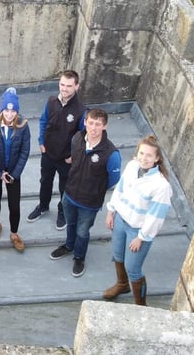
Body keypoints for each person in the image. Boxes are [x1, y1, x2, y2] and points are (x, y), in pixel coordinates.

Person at [49, 108, 121, 278]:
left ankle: (79, 257)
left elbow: (113, 179)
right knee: (71, 224)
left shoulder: (111, 154)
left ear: (105, 126)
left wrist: (95, 189)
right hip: (69, 195)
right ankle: (69, 246)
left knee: (82, 231)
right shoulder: (77, 139)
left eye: (98, 124)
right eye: (91, 123)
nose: (93, 128)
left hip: (89, 203)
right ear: (85, 122)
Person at [104, 135, 172, 306]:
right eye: (141, 153)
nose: (144, 158)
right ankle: (122, 284)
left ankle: (141, 306)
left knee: (133, 269)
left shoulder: (161, 185)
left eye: (149, 155)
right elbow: (120, 190)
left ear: (157, 158)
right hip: (120, 220)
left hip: (137, 231)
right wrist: (111, 211)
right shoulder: (132, 166)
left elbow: (156, 216)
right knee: (118, 255)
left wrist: (141, 237)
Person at [28, 70, 86, 231]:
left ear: (76, 86)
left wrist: (74, 155)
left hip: (66, 158)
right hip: (48, 153)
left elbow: (84, 136)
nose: (64, 89)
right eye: (62, 84)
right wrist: (41, 141)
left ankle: (63, 212)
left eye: (69, 86)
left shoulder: (81, 110)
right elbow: (43, 121)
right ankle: (43, 206)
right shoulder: (51, 101)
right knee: (45, 181)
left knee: (64, 187)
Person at [0, 88, 30, 251]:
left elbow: (24, 152)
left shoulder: (23, 126)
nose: (9, 114)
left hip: (13, 171)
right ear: (2, 110)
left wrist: (14, 174)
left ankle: (14, 233)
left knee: (14, 204)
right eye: (7, 110)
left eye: (13, 111)